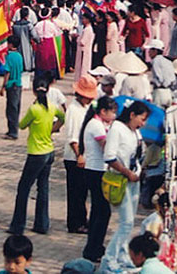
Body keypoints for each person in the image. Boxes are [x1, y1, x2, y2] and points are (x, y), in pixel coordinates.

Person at [8, 76, 65, 235]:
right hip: (49, 149)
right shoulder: (52, 107)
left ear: (34, 91)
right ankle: (42, 224)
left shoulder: (34, 109)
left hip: (36, 152)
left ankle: (18, 225)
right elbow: (63, 118)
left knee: (24, 188)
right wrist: (53, 128)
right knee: (43, 188)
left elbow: (22, 125)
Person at [100, 101, 150, 273]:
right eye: (142, 119)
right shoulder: (117, 129)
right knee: (126, 222)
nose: (143, 124)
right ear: (132, 115)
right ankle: (110, 256)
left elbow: (138, 154)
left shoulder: (135, 132)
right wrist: (127, 172)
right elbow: (110, 156)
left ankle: (122, 254)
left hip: (133, 180)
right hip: (120, 179)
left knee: (130, 221)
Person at [80, 96, 118, 262]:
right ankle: (93, 248)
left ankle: (95, 247)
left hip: (97, 170)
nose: (114, 116)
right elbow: (106, 147)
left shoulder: (99, 124)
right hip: (96, 171)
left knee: (99, 210)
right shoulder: (96, 125)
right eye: (112, 112)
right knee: (102, 212)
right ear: (103, 111)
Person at [64, 76, 97, 234]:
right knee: (75, 192)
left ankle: (82, 219)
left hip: (84, 155)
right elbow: (72, 137)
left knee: (82, 192)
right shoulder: (73, 109)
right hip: (74, 156)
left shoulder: (85, 108)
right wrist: (79, 155)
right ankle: (75, 223)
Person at [0, 35, 24, 140]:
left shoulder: (9, 57)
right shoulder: (19, 56)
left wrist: (3, 86)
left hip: (11, 84)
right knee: (16, 107)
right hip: (18, 83)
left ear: (10, 44)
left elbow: (7, 72)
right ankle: (14, 129)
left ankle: (13, 132)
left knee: (11, 109)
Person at [146, 40, 176, 108]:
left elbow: (159, 78)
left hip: (159, 92)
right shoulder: (168, 61)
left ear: (155, 51)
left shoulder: (155, 61)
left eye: (150, 50)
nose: (148, 52)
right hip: (168, 92)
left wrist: (152, 81)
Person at [76, 11, 95, 79]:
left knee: (83, 67)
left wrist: (77, 38)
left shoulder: (88, 29)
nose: (82, 20)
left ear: (88, 20)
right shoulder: (87, 29)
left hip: (84, 51)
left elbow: (83, 42)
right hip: (85, 50)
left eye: (83, 19)